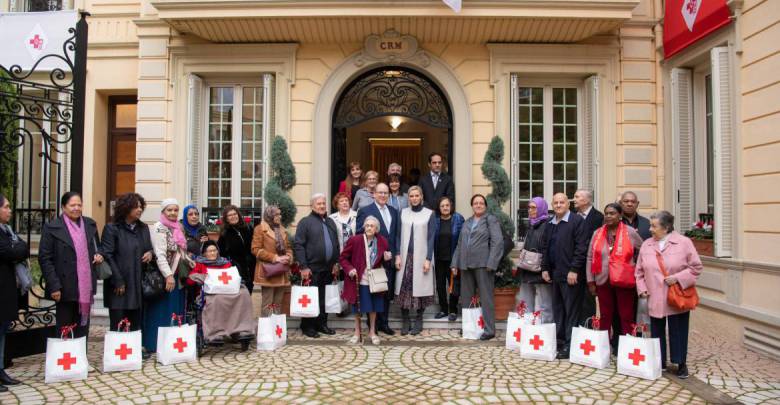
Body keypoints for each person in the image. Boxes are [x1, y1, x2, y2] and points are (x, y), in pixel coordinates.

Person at [635, 210, 702, 379]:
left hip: (676, 295)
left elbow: (696, 267)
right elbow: (639, 271)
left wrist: (678, 278)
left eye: (654, 226)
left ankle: (680, 363)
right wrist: (641, 288)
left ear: (666, 227)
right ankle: (660, 360)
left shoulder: (684, 242)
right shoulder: (647, 244)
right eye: (650, 225)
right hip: (654, 296)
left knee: (678, 329)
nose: (650, 229)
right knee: (656, 329)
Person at [39, 191, 103, 339]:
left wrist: (100, 255)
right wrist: (54, 285)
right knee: (64, 326)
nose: (76, 208)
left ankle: (81, 359)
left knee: (82, 327)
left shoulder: (90, 224)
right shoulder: (52, 227)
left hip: (85, 285)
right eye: (72, 205)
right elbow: (45, 258)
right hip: (63, 286)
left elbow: (97, 247)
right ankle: (64, 360)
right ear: (63, 207)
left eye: (79, 205)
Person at [585, 203, 643, 344]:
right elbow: (590, 257)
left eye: (612, 213)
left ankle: (627, 346)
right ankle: (603, 346)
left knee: (626, 315)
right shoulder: (597, 233)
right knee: (605, 315)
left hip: (624, 280)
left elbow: (643, 250)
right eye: (606, 213)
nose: (609, 216)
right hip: (603, 280)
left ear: (620, 216)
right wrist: (590, 281)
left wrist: (635, 267)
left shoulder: (630, 232)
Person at [541, 193, 588, 359]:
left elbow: (581, 248)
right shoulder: (550, 223)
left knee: (571, 311)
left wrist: (574, 269)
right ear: (552, 205)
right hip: (555, 274)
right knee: (558, 309)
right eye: (556, 203)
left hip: (571, 275)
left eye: (562, 202)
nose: (559, 205)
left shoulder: (577, 222)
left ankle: (570, 344)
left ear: (568, 204)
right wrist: (545, 268)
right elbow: (545, 247)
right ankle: (560, 341)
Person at [451, 194, 503, 340]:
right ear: (472, 205)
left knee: (486, 298)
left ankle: (489, 329)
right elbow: (460, 244)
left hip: (484, 265)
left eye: (481, 203)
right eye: (475, 203)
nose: (478, 205)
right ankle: (469, 327)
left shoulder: (490, 220)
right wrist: (455, 263)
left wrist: (492, 263)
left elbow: (497, 242)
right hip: (466, 265)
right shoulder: (467, 222)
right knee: (467, 298)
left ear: (485, 206)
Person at [143, 198, 193, 351]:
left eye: (175, 210)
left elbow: (180, 251)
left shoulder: (178, 228)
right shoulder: (159, 228)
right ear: (163, 212)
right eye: (169, 210)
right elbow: (160, 254)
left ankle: (174, 344)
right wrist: (168, 276)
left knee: (175, 309)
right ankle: (157, 344)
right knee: (162, 310)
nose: (173, 213)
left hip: (178, 275)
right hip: (165, 277)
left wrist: (191, 262)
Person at [102, 193, 154, 336]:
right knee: (119, 321)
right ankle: (118, 351)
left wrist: (150, 253)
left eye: (140, 207)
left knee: (136, 321)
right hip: (119, 283)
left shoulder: (143, 228)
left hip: (137, 281)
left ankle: (134, 350)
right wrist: (118, 280)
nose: (139, 210)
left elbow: (148, 248)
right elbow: (108, 255)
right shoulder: (112, 228)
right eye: (136, 207)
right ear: (126, 208)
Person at [187, 241, 255, 345]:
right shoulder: (200, 264)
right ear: (204, 253)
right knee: (216, 300)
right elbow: (190, 280)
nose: (213, 253)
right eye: (209, 251)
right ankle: (215, 333)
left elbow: (232, 276)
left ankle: (243, 329)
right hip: (210, 294)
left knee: (244, 294)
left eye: (214, 250)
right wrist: (203, 277)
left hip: (228, 291)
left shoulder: (225, 263)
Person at [294, 193, 340, 338]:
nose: (322, 206)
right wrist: (303, 266)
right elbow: (299, 245)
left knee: (324, 298)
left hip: (328, 268)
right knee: (311, 298)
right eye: (319, 203)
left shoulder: (330, 222)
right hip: (311, 269)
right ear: (312, 205)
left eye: (323, 203)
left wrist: (336, 263)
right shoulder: (305, 222)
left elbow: (336, 245)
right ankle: (308, 326)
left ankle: (322, 324)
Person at [356, 183, 400, 335]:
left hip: (390, 259)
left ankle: (384, 323)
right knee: (372, 292)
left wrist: (397, 255)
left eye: (385, 193)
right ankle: (372, 324)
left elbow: (396, 236)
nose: (383, 195)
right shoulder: (365, 211)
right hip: (372, 260)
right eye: (380, 192)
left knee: (385, 292)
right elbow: (359, 234)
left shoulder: (394, 211)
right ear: (373, 194)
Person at [339, 216, 390, 345]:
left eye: (371, 226)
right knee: (358, 309)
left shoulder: (382, 241)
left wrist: (387, 258)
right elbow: (343, 258)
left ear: (376, 229)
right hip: (358, 280)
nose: (368, 228)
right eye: (366, 225)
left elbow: (385, 261)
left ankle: (372, 332)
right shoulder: (355, 240)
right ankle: (357, 332)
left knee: (373, 308)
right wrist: (350, 269)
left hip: (374, 281)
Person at [394, 186, 436, 335]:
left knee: (421, 289)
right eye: (411, 196)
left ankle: (419, 318)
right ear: (409, 198)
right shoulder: (403, 213)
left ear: (421, 196)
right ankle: (405, 319)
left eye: (417, 195)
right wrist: (397, 254)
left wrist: (428, 259)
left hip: (421, 258)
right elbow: (398, 235)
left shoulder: (429, 214)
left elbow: (431, 238)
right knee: (403, 289)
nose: (414, 198)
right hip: (405, 257)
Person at [0, 194, 27, 389]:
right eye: (6, 207)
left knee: (2, 332)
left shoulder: (7, 231)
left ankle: (0, 369)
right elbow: (10, 252)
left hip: (6, 289)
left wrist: (18, 247)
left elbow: (22, 247)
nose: (10, 210)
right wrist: (17, 247)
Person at [515, 197, 553, 324]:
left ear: (541, 208)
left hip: (541, 269)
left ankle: (545, 332)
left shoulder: (548, 225)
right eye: (529, 207)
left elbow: (548, 247)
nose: (530, 210)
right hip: (527, 268)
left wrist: (545, 267)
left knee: (545, 304)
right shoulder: (531, 224)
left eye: (534, 207)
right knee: (525, 303)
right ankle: (527, 330)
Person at [252, 205, 293, 317]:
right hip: (267, 272)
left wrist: (288, 257)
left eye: (280, 214)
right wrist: (275, 258)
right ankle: (266, 332)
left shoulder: (282, 229)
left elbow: (288, 247)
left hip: (281, 272)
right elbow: (255, 250)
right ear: (269, 215)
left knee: (277, 304)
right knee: (268, 304)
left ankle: (277, 330)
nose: (279, 216)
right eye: (276, 214)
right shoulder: (260, 229)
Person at [574, 189, 604, 322]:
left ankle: (588, 328)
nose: (573, 199)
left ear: (586, 200)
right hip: (575, 264)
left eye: (577, 197)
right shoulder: (574, 216)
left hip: (590, 265)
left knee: (588, 301)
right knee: (576, 301)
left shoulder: (599, 217)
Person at [433, 196, 464, 321]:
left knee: (453, 286)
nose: (445, 208)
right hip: (439, 259)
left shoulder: (458, 219)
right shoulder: (435, 220)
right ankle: (443, 309)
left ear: (451, 206)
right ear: (439, 208)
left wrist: (457, 261)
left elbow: (462, 241)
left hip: (453, 259)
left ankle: (453, 310)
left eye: (447, 205)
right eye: (442, 206)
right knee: (440, 286)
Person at [218, 205, 256, 293]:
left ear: (238, 215)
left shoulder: (248, 228)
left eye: (235, 214)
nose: (233, 216)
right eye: (230, 215)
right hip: (235, 269)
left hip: (250, 267)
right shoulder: (224, 233)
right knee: (237, 294)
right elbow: (221, 253)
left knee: (248, 291)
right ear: (226, 219)